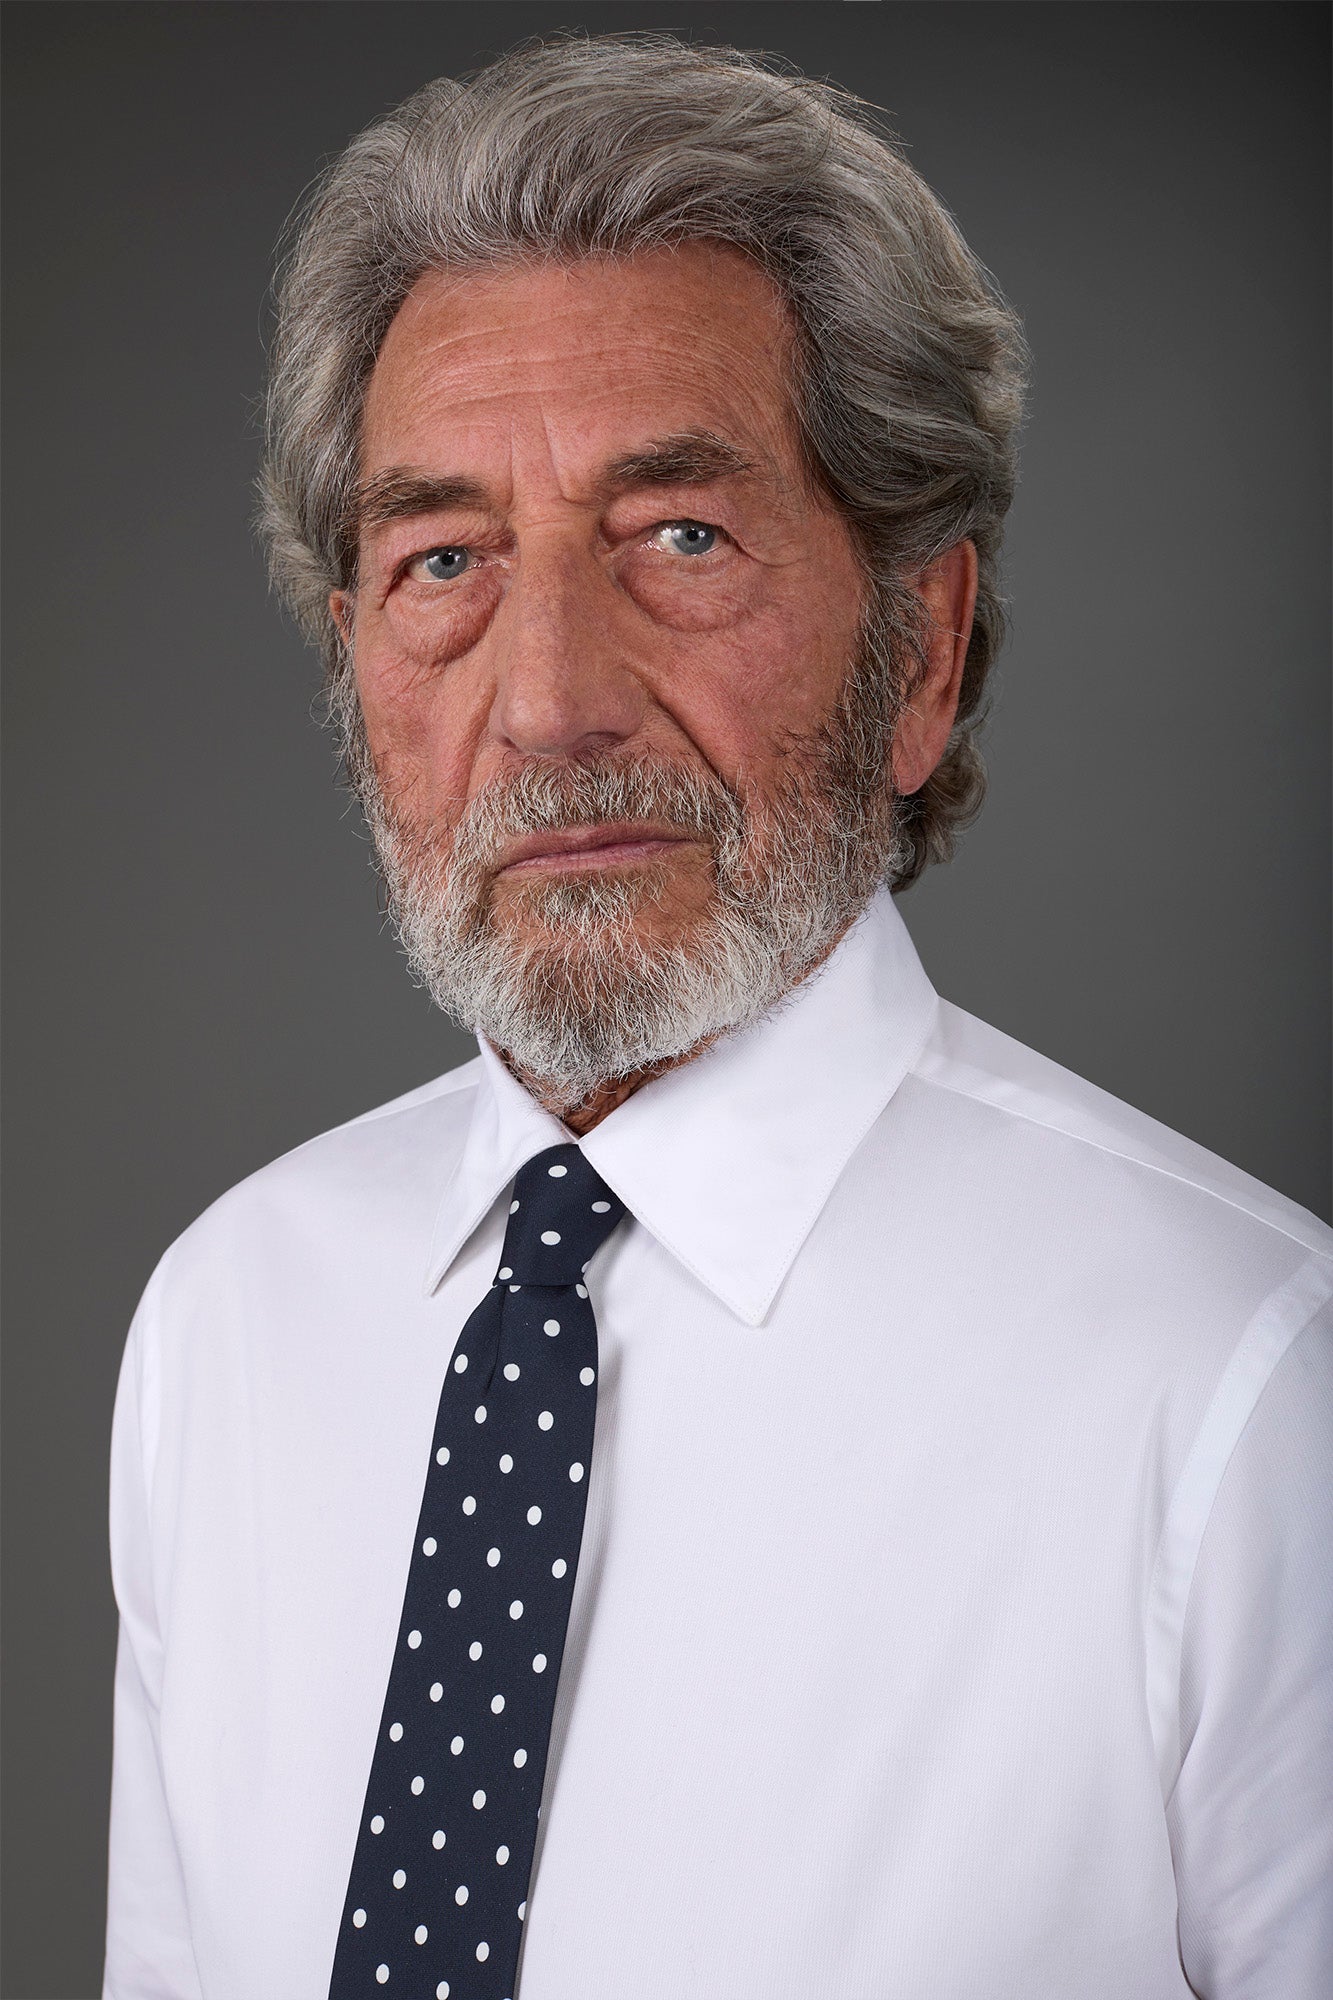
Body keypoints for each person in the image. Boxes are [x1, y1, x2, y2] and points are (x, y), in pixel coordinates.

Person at [103, 32, 1331, 2000]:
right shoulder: (222, 1326)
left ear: (918, 649)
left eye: (677, 537)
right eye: (442, 562)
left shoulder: (1249, 1396)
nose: (549, 700)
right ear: (355, 667)